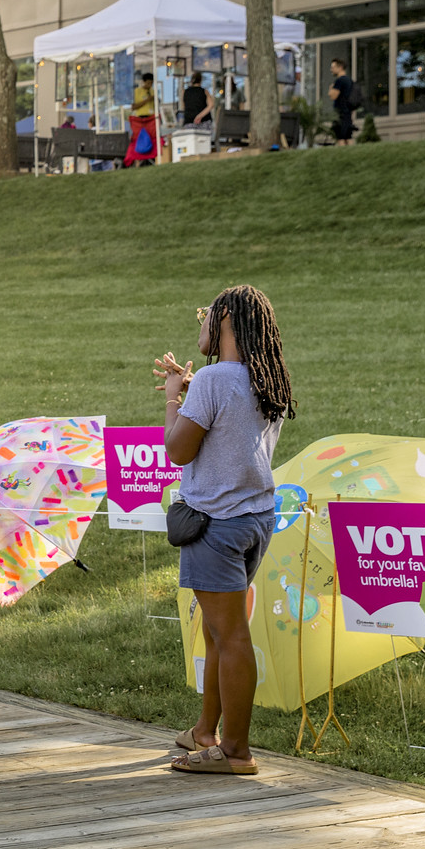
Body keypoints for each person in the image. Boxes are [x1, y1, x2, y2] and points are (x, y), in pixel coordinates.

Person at [154, 287, 295, 777]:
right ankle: (204, 732)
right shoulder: (264, 379)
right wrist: (193, 391)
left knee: (230, 635)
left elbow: (178, 450)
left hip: (216, 524)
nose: (201, 323)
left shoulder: (214, 380)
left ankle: (235, 751)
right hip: (255, 521)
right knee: (218, 633)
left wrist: (175, 399)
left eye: (205, 315)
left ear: (227, 318)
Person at [327, 58, 359, 143]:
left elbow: (333, 96)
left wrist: (331, 89)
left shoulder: (340, 80)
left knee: (341, 137)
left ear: (340, 67)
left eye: (333, 67)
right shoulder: (349, 80)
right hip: (347, 112)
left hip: (341, 113)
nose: (331, 70)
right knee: (348, 136)